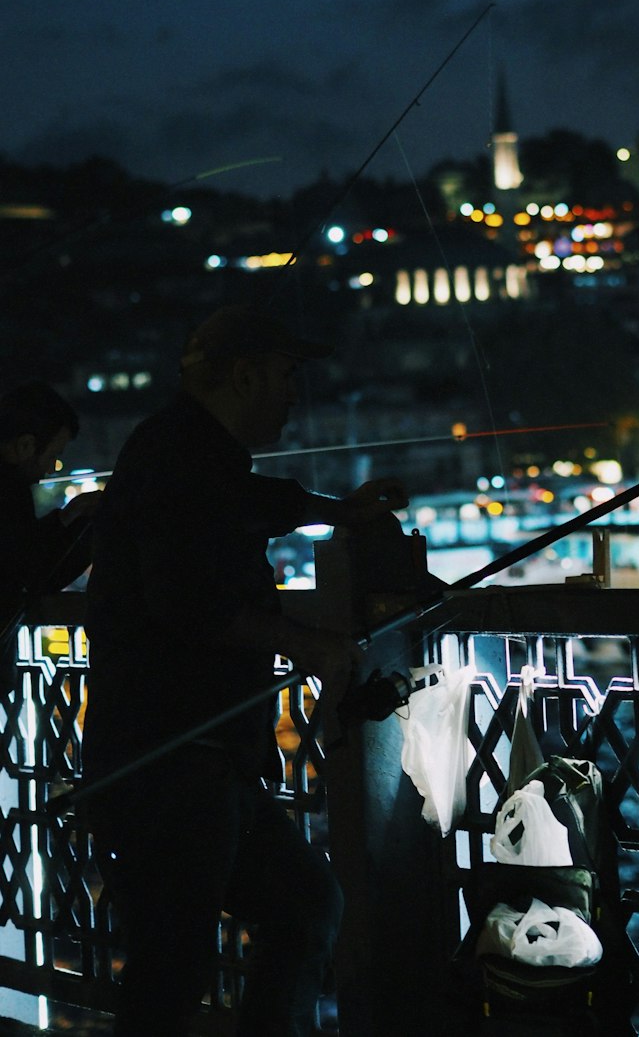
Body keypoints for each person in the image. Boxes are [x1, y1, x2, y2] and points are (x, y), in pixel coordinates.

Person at [83, 303, 408, 1037]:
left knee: (303, 907)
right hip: (169, 764)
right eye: (286, 375)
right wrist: (310, 644)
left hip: (202, 763)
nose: (295, 392)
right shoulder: (177, 456)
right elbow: (188, 604)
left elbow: (249, 504)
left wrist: (338, 513)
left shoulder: (190, 454)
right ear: (242, 375)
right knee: (174, 969)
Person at [0, 381, 99, 694]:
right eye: (53, 458)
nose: (50, 470)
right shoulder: (9, 490)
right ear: (25, 446)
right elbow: (33, 572)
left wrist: (65, 518)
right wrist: (88, 529)